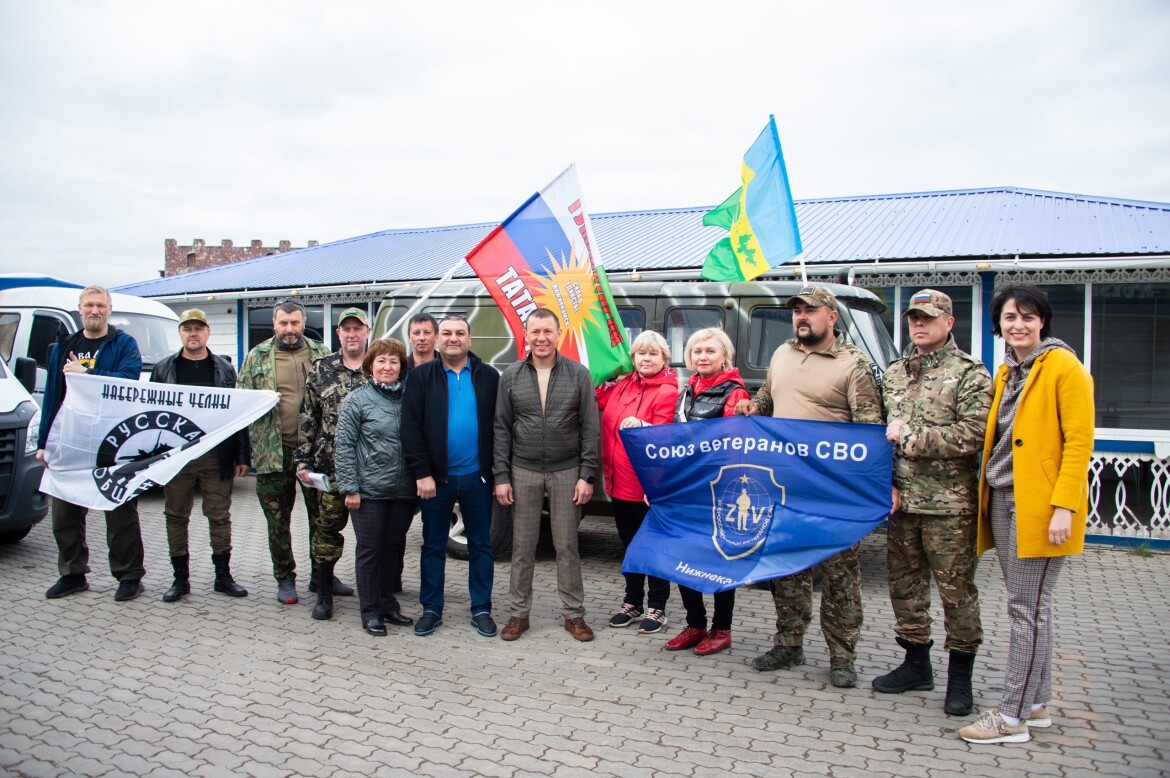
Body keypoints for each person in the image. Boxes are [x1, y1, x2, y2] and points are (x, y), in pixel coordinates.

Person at [958, 284, 1094, 745]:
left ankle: (1011, 717)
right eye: (1010, 318)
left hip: (1039, 505)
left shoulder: (1064, 367)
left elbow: (1079, 444)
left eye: (1027, 317)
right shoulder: (1009, 372)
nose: (1018, 325)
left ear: (1043, 322)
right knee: (1032, 608)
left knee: (1025, 610)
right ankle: (1035, 704)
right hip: (1002, 497)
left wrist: (1064, 507)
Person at [737, 285, 887, 688]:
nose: (801, 317)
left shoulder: (853, 364)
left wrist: (865, 491)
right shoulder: (782, 354)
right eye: (797, 311)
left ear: (831, 316)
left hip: (832, 491)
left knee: (839, 575)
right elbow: (768, 397)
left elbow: (869, 432)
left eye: (810, 310)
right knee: (786, 569)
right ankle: (789, 642)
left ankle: (842, 655)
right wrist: (753, 406)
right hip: (785, 486)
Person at [871, 290, 992, 715]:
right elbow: (878, 435)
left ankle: (961, 679)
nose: (919, 325)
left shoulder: (970, 373)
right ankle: (916, 664)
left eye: (928, 317)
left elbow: (974, 436)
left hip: (949, 507)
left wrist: (911, 438)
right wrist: (883, 484)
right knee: (905, 590)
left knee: (957, 594)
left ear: (948, 322)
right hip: (902, 505)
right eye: (913, 318)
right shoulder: (896, 372)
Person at [493, 308, 601, 642]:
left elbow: (590, 429)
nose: (541, 338)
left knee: (567, 546)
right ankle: (517, 614)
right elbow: (501, 429)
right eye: (535, 331)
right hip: (523, 469)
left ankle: (575, 615)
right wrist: (501, 476)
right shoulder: (510, 375)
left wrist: (587, 475)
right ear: (527, 335)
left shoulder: (578, 374)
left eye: (547, 331)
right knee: (522, 547)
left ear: (559, 335)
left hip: (567, 470)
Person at [38, 286, 146, 602]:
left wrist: (88, 370)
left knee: (119, 509)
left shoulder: (123, 344)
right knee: (65, 512)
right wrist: (45, 442)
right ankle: (72, 574)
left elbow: (128, 379)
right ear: (80, 309)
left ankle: (129, 577)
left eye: (100, 305)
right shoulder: (64, 346)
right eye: (89, 305)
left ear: (109, 309)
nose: (94, 310)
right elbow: (52, 397)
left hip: (112, 442)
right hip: (71, 440)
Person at [402, 314, 500, 638]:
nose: (453, 338)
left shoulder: (488, 376)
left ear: (470, 339)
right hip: (436, 481)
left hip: (478, 478)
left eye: (460, 333)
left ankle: (481, 608)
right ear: (437, 339)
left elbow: (501, 428)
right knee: (432, 545)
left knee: (482, 546)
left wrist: (498, 474)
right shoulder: (421, 377)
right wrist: (422, 473)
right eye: (446, 333)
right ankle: (431, 608)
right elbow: (410, 428)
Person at [150, 309, 251, 603]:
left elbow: (238, 414)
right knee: (176, 516)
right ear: (180, 333)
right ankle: (180, 579)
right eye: (187, 329)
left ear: (208, 332)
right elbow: (153, 413)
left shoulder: (224, 369)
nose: (193, 333)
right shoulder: (163, 368)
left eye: (198, 328)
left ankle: (223, 576)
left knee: (219, 516)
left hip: (216, 456)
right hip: (177, 456)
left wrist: (242, 455)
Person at [662, 328, 750, 656]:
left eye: (710, 351)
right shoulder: (688, 392)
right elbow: (675, 441)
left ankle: (721, 628)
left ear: (724, 355)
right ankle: (695, 623)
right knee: (685, 557)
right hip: (686, 487)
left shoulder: (735, 393)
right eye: (697, 351)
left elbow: (734, 446)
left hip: (717, 490)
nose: (702, 356)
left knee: (718, 559)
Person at [236, 298, 330, 605]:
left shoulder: (321, 353)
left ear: (303, 323)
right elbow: (240, 404)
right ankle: (285, 578)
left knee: (322, 518)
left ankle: (321, 576)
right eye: (283, 323)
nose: (289, 329)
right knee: (278, 521)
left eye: (295, 323)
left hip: (315, 456)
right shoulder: (258, 356)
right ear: (274, 324)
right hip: (273, 454)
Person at [596, 330, 678, 635]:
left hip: (648, 486)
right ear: (633, 358)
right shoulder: (623, 385)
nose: (646, 358)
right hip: (619, 482)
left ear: (663, 359)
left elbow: (667, 435)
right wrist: (609, 368)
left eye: (653, 354)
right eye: (641, 353)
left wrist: (645, 427)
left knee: (653, 547)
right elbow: (594, 392)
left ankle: (657, 607)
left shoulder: (667, 391)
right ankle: (632, 602)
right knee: (630, 546)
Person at [334, 338, 417, 636]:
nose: (387, 366)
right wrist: (349, 488)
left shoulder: (410, 397)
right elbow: (343, 446)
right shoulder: (357, 400)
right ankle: (370, 611)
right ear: (371, 365)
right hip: (368, 492)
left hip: (403, 491)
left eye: (393, 361)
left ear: (401, 367)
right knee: (370, 550)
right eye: (381, 361)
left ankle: (387, 604)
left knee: (392, 550)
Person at [294, 307, 371, 620]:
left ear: (367, 331)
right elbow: (307, 415)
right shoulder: (321, 368)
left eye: (358, 328)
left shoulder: (379, 365)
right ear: (338, 334)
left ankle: (376, 595)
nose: (352, 334)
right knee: (325, 534)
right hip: (329, 468)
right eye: (346, 329)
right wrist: (301, 459)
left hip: (370, 469)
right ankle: (323, 594)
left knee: (371, 538)